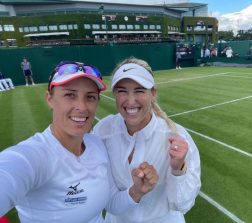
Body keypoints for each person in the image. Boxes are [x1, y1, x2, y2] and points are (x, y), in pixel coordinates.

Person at [0, 61, 158, 222]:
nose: (81, 107)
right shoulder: (32, 156)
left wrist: (137, 190)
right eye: (70, 95)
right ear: (50, 99)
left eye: (90, 97)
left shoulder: (96, 145)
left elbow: (111, 204)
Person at [93, 57, 201, 223]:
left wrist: (178, 169)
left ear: (153, 93)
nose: (130, 101)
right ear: (114, 93)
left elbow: (182, 204)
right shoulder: (103, 130)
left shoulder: (177, 136)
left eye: (139, 90)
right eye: (122, 91)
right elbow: (104, 195)